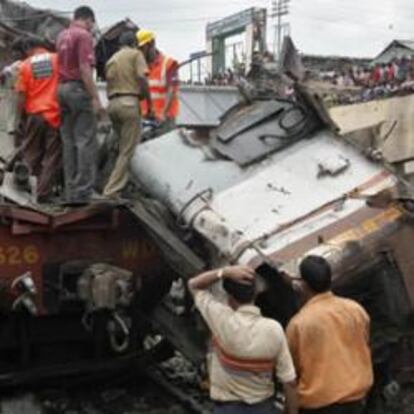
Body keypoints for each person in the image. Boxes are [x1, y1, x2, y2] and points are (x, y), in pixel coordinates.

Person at [188, 265, 298, 414]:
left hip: (228, 409)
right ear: (256, 294)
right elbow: (289, 382)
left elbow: (193, 285)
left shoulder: (221, 319)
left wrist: (224, 272)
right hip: (263, 408)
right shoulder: (274, 329)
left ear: (229, 298)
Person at [286, 256, 374, 414]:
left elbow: (291, 371)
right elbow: (365, 343)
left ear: (303, 285)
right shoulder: (355, 310)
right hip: (358, 401)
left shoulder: (298, 325)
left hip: (320, 406)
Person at [56, 6, 103, 203]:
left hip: (62, 89)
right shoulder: (83, 35)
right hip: (77, 89)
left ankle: (70, 190)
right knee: (85, 140)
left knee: (68, 142)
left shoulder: (61, 35)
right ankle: (83, 191)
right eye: (92, 24)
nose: (92, 28)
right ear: (88, 20)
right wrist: (95, 98)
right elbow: (85, 68)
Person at [103, 31, 152, 199]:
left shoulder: (111, 59)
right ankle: (111, 190)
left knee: (118, 147)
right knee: (127, 150)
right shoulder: (135, 54)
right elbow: (141, 77)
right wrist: (148, 99)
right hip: (129, 104)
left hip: (112, 104)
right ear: (134, 43)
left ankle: (113, 182)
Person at [15, 37, 62, 203]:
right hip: (54, 115)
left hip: (34, 115)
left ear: (29, 48)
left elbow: (21, 95)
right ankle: (43, 193)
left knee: (30, 154)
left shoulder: (25, 65)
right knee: (52, 156)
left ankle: (25, 191)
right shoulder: (57, 59)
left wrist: (20, 119)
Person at [136, 29, 179, 130]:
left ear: (151, 44)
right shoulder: (140, 66)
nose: (140, 52)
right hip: (144, 118)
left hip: (164, 119)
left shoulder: (169, 64)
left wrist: (163, 114)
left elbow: (171, 91)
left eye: (142, 48)